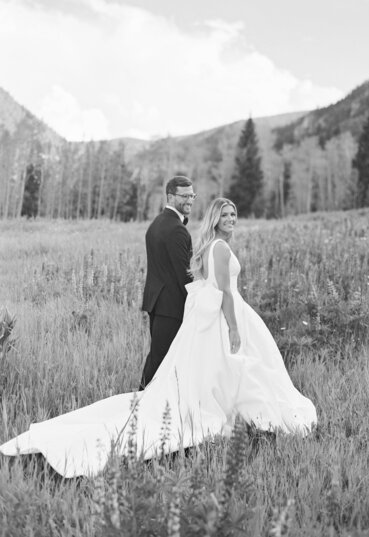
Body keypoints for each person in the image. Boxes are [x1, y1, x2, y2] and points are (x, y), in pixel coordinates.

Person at [0, 198, 317, 478]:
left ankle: (233, 410)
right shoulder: (220, 248)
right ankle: (240, 413)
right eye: (226, 215)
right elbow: (224, 293)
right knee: (234, 367)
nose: (232, 219)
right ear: (215, 220)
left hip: (219, 316)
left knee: (222, 370)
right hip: (227, 316)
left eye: (234, 214)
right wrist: (234, 328)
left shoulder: (212, 246)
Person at [139, 175, 195, 390]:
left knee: (160, 356)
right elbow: (184, 275)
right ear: (171, 196)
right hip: (171, 305)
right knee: (160, 359)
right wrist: (199, 299)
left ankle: (149, 399)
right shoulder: (176, 229)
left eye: (192, 195)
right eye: (185, 196)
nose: (190, 200)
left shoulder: (157, 223)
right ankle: (140, 401)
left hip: (158, 302)